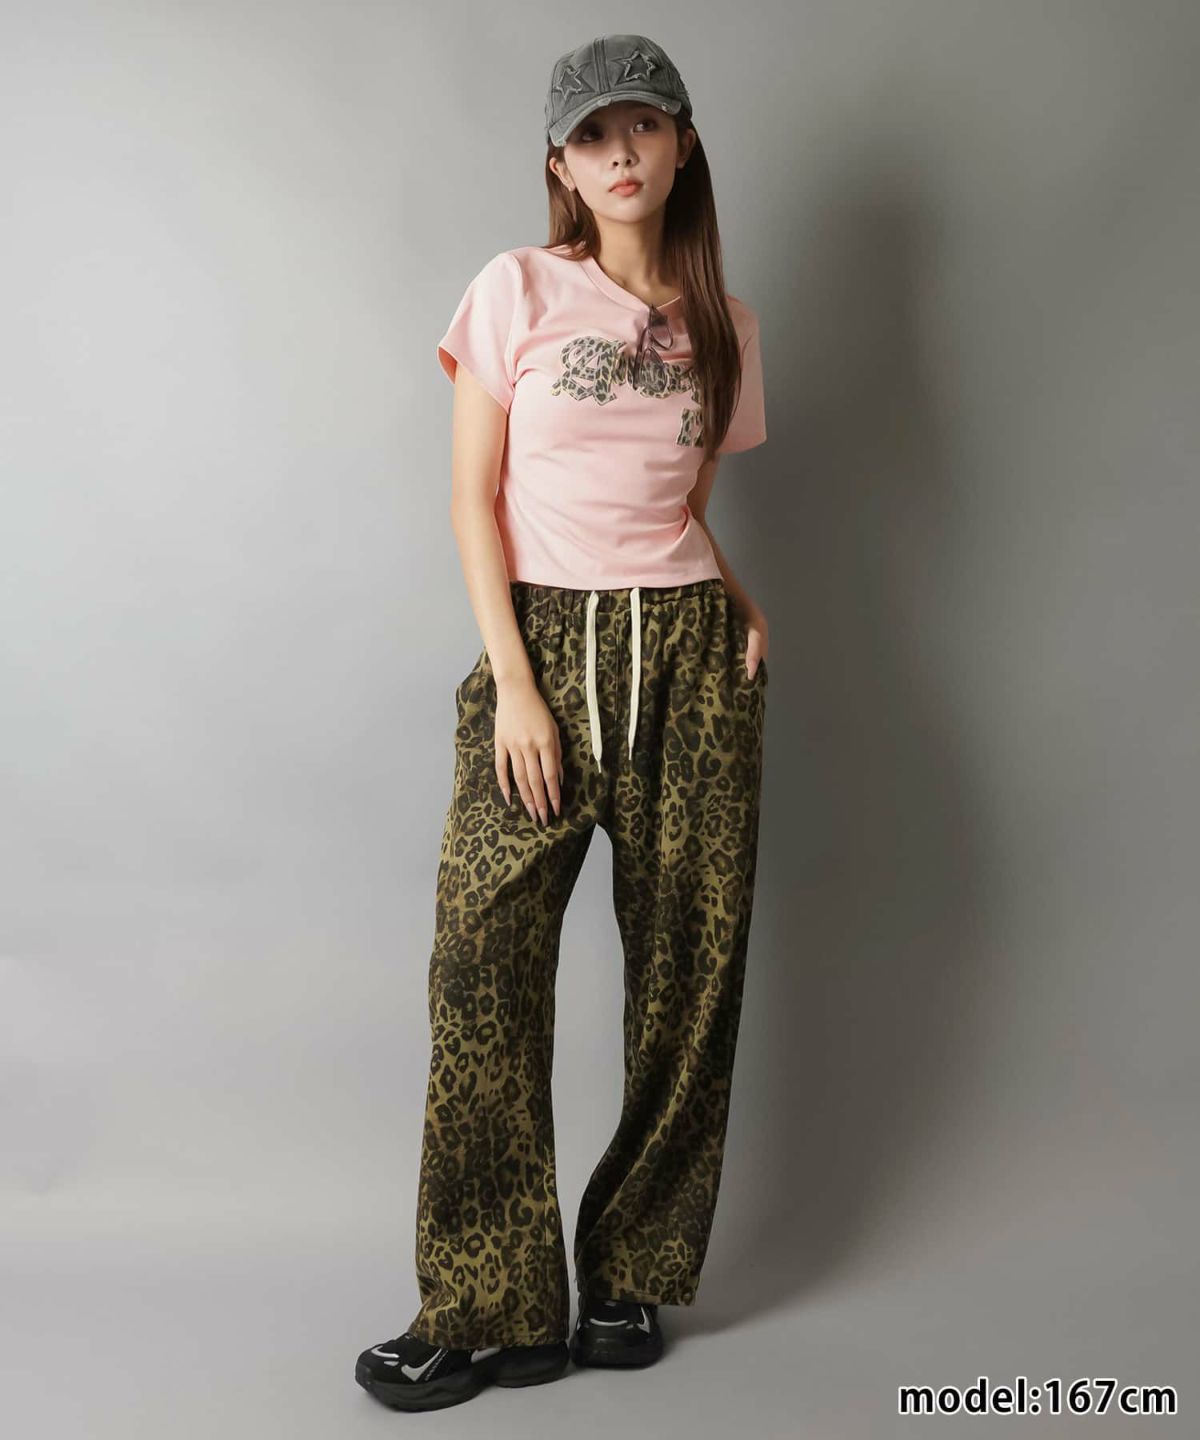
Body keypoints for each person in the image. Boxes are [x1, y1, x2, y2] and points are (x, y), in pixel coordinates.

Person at [356, 31, 770, 1414]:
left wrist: (741, 600)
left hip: (692, 658)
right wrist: (517, 682)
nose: (620, 153)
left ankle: (631, 1272)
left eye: (642, 125)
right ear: (561, 166)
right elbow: (472, 499)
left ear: (683, 143)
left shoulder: (727, 326)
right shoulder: (517, 289)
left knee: (690, 972)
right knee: (481, 961)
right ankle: (489, 1307)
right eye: (592, 136)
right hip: (541, 647)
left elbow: (681, 506)